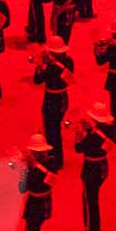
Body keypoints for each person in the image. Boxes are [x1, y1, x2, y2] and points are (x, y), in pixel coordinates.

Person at [33, 36, 75, 171]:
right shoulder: (63, 62)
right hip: (58, 97)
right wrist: (42, 65)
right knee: (53, 130)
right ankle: (56, 158)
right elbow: (38, 80)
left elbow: (39, 80)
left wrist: (45, 65)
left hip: (54, 98)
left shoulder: (58, 65)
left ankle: (54, 160)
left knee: (52, 131)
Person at [19, 136, 56, 231]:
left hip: (35, 204)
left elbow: (22, 188)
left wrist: (25, 169)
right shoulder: (52, 162)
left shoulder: (34, 172)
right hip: (45, 201)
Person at [75, 103, 113, 231]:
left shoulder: (93, 138)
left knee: (90, 201)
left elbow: (79, 148)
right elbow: (97, 136)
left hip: (91, 168)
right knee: (92, 199)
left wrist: (79, 135)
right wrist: (90, 129)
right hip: (102, 165)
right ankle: (91, 229)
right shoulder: (107, 130)